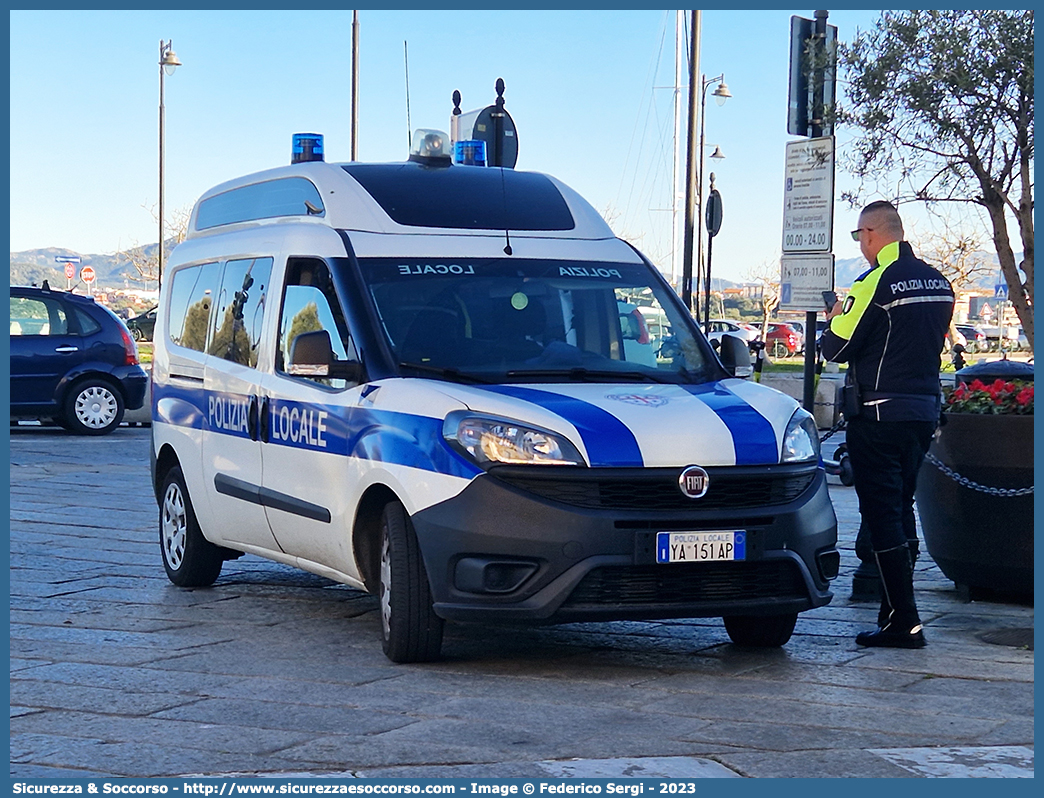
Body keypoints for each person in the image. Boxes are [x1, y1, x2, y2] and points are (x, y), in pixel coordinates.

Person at [821, 200, 954, 649]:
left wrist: (834, 316)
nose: (861, 245)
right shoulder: (940, 283)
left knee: (882, 516)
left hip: (878, 414)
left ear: (874, 234)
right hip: (922, 413)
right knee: (902, 508)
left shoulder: (874, 282)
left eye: (860, 237)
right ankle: (896, 614)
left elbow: (836, 347)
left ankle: (903, 621)